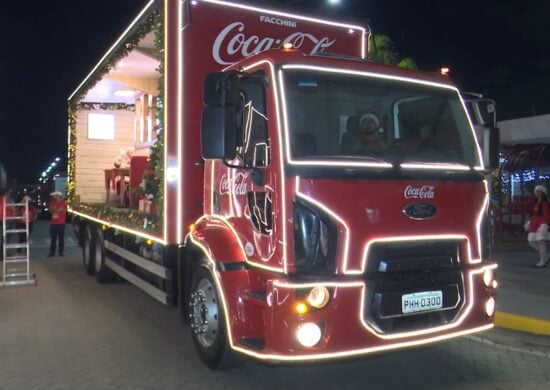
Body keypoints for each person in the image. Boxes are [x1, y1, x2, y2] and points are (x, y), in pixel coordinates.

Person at [525, 185, 550, 267]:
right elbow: (533, 215)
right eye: (536, 192)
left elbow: (546, 215)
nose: (536, 193)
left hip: (541, 226)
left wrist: (544, 225)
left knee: (541, 243)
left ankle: (543, 260)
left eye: (538, 192)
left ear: (542, 193)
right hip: (534, 226)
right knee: (532, 242)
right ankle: (545, 256)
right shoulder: (537, 203)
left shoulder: (544, 203)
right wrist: (529, 223)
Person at [48, 191, 67, 257]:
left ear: (58, 196)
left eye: (54, 196)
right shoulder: (52, 202)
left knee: (61, 239)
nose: (53, 197)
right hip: (53, 223)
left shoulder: (63, 203)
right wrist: (55, 209)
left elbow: (58, 210)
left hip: (61, 223)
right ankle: (52, 252)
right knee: (53, 239)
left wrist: (54, 209)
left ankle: (61, 252)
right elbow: (50, 210)